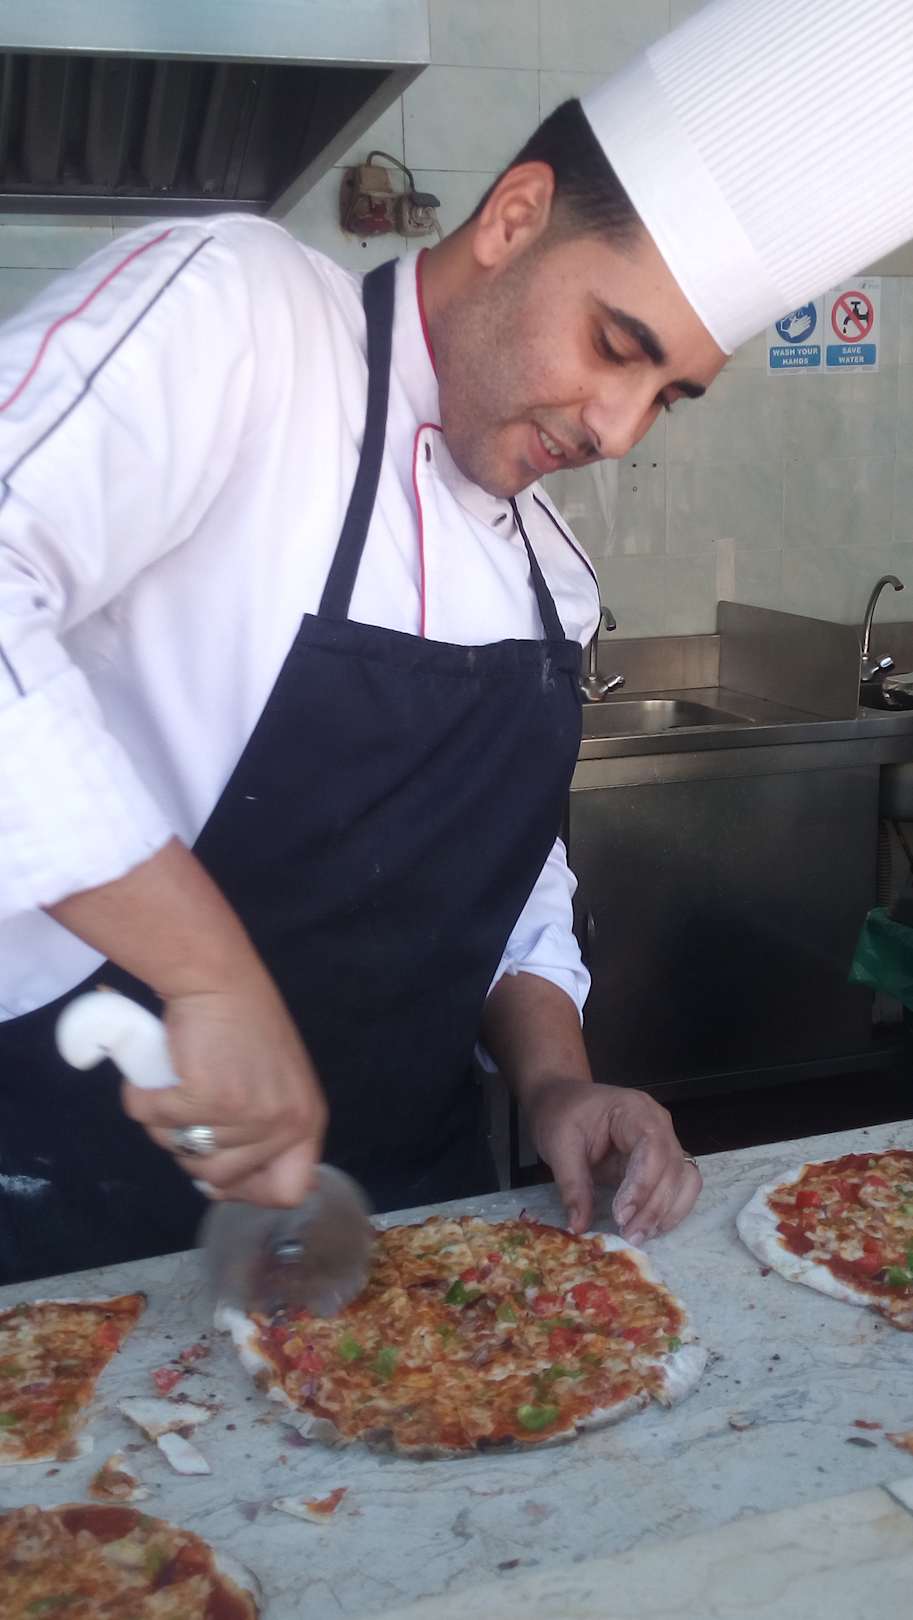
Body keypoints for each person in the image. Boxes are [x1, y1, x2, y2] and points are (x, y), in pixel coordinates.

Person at [1, 0, 911, 1282]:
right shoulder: (247, 318)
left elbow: (501, 879)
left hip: (412, 1245)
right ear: (514, 217)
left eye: (666, 395)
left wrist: (555, 1083)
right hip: (82, 1231)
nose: (619, 429)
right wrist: (206, 975)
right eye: (615, 346)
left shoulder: (550, 581)